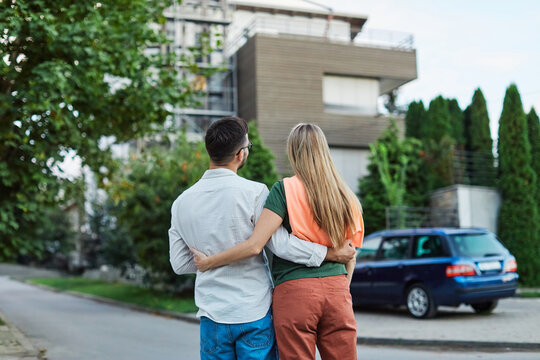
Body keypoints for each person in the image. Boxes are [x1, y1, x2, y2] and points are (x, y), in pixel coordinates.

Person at [168, 117, 355, 360]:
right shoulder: (255, 192)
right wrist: (329, 254)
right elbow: (279, 245)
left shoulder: (182, 202)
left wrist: (208, 261)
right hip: (253, 310)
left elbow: (180, 264)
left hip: (212, 313)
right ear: (240, 154)